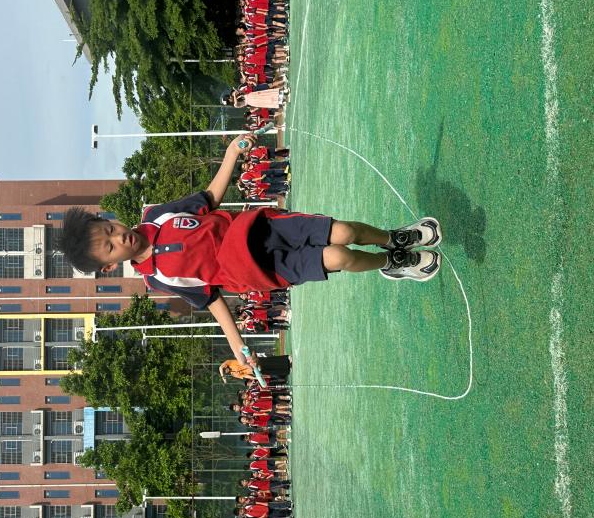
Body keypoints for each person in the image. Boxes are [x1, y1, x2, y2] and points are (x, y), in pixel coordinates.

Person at [57, 134, 443, 368]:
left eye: (110, 229)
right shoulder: (159, 279)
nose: (119, 238)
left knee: (344, 231)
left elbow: (208, 199)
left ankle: (392, 238)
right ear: (108, 267)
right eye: (109, 247)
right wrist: (238, 345)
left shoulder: (157, 215)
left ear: (109, 219)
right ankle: (390, 262)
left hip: (262, 227)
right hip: (263, 271)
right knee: (339, 256)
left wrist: (231, 153)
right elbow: (212, 300)